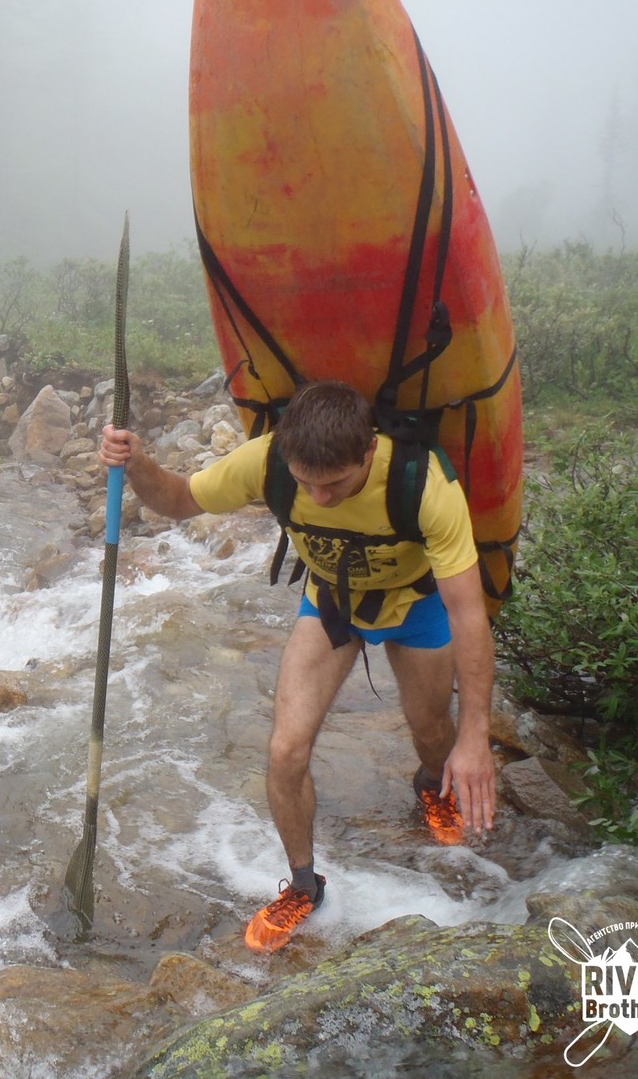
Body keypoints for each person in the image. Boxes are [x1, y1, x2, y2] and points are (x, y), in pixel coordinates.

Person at [97, 379, 497, 953]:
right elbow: (179, 499)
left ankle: (431, 784)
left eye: (334, 484)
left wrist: (477, 735)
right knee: (286, 750)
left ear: (369, 451)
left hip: (416, 604)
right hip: (333, 601)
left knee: (435, 732)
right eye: (307, 483)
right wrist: (136, 464)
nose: (320, 498)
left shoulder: (423, 484)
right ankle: (305, 885)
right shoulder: (270, 463)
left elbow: (468, 612)